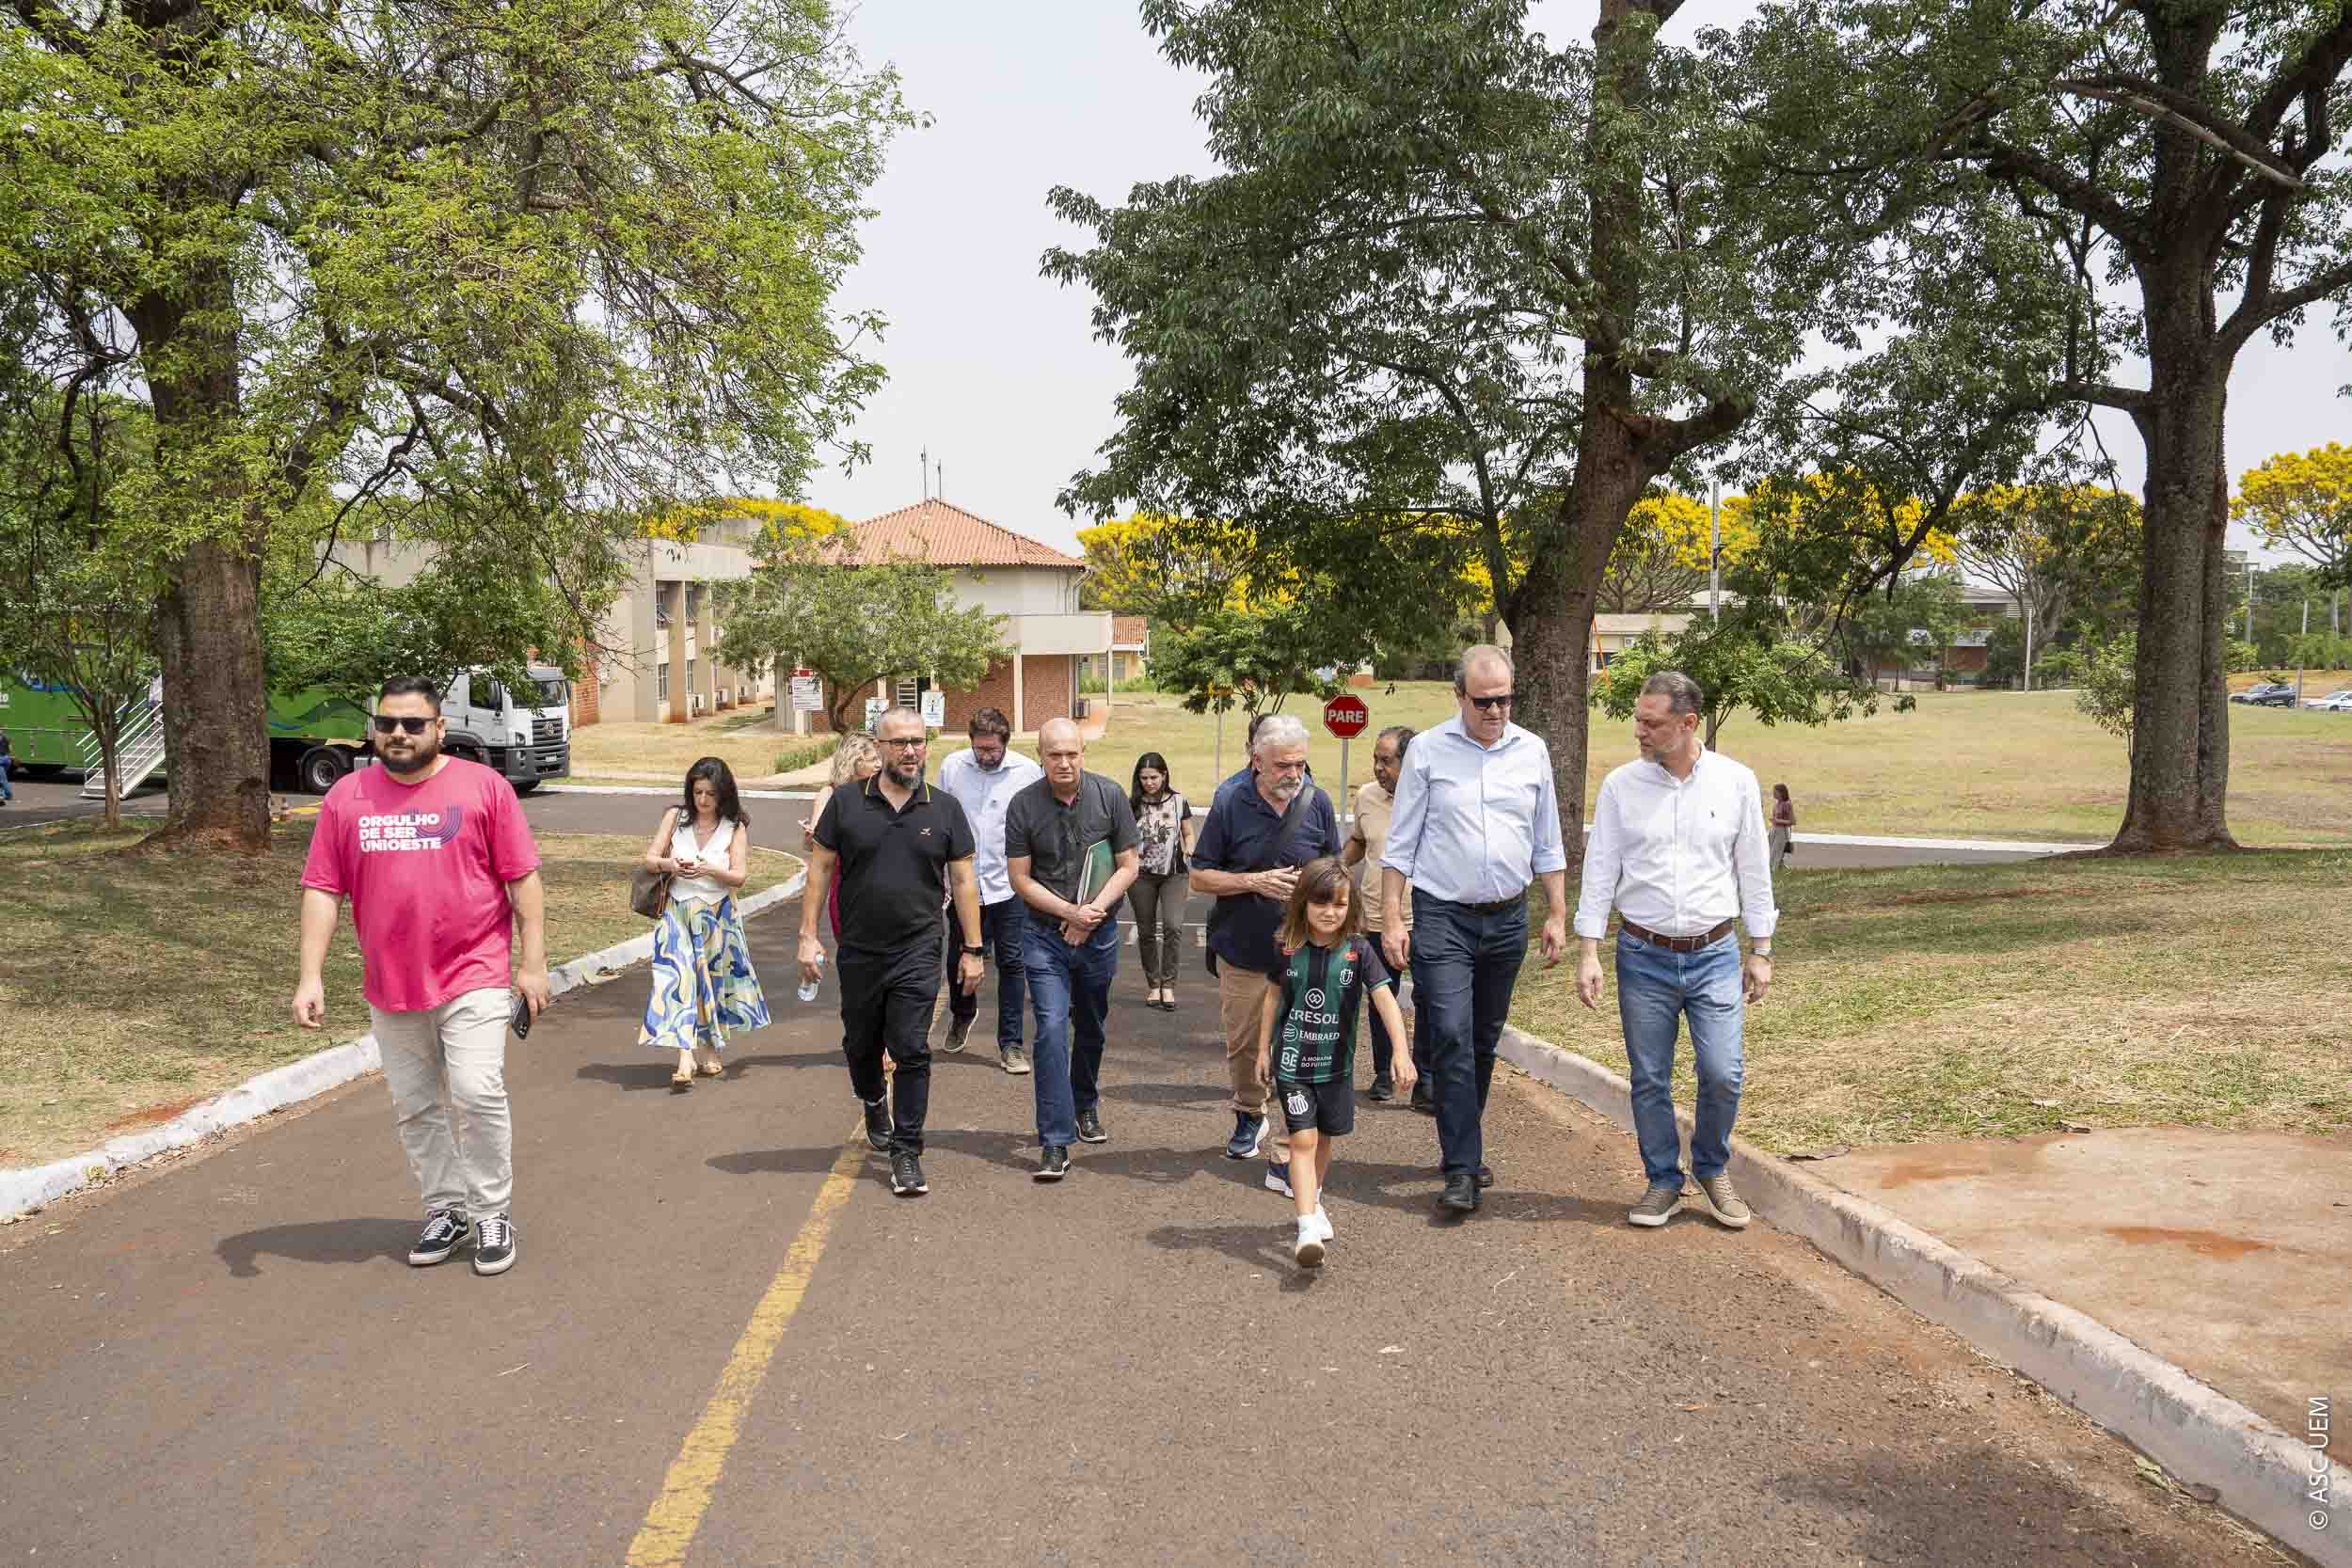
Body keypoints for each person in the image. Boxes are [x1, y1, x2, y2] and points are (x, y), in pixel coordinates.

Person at [292, 674, 548, 1276]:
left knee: (477, 1091)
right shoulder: (346, 799)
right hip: (392, 981)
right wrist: (310, 975)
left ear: (438, 728)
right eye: (387, 724)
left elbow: (523, 880)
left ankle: (490, 1212)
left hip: (475, 970)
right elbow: (323, 889)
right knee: (416, 1105)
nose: (399, 734)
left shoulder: (483, 788)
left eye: (412, 723)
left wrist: (532, 965)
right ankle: (446, 1208)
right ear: (373, 730)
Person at [1575, 671, 1777, 1231]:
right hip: (1642, 954)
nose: (1638, 730)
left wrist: (1761, 949)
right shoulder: (1621, 786)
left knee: (1722, 1073)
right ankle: (1663, 1179)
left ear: (1688, 724)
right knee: (1650, 1078)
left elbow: (1753, 869)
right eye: (1638, 719)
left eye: (1651, 722)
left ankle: (1711, 1167)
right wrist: (1588, 950)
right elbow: (1600, 871)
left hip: (1715, 953)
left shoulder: (1736, 782)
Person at [1381, 645, 1567, 1215]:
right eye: (1484, 701)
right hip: (1443, 916)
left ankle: (1462, 1142)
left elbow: (1548, 841)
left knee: (1484, 1037)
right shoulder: (1429, 753)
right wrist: (1392, 917)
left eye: (1505, 699)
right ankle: (1463, 1166)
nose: (1496, 710)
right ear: (1459, 696)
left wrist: (1556, 913)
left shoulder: (1532, 750)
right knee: (1453, 1035)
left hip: (1508, 916)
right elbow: (1402, 843)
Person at [798, 708, 983, 1198]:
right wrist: (807, 935)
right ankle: (872, 1096)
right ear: (878, 748)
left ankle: (907, 1152)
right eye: (898, 742)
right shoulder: (844, 803)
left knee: (910, 1047)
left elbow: (963, 880)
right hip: (860, 948)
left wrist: (973, 948)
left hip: (919, 947)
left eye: (918, 742)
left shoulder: (944, 809)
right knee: (861, 1044)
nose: (909, 751)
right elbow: (819, 869)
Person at [1188, 711, 1342, 1198]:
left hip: (1303, 952)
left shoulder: (1316, 803)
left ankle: (1285, 1153)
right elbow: (1199, 876)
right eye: (1282, 767)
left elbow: (1335, 871)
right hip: (1244, 949)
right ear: (1257, 761)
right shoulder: (1230, 801)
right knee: (1245, 1049)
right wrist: (1253, 881)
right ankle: (1250, 1112)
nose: (1292, 775)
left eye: (1299, 765)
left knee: (1295, 1053)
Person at [1255, 858, 1413, 1267]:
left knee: (1324, 1139)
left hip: (1335, 1068)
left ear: (1351, 908)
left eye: (1340, 905)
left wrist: (1401, 1050)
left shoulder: (1359, 952)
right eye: (1321, 903)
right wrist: (1262, 1050)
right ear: (1303, 902)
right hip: (1293, 1064)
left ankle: (1315, 1200)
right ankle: (1306, 1226)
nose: (1330, 912)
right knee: (1303, 1140)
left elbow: (1384, 1000)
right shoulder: (1285, 946)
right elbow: (1272, 998)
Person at [1004, 717, 1140, 1180]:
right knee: (1049, 1030)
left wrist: (1091, 914)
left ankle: (1085, 1103)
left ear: (1083, 753)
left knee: (1092, 1028)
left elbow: (1128, 865)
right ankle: (1055, 1140)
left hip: (1097, 934)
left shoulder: (1110, 796)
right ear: (1041, 757)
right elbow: (1019, 879)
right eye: (1054, 755)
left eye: (1071, 754)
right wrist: (1068, 913)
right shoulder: (1023, 806)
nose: (1063, 762)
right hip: (1044, 937)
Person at [639, 757, 771, 1086]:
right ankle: (685, 1056)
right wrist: (672, 864)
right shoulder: (676, 817)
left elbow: (739, 876)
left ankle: (712, 1047)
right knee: (678, 979)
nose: (702, 800)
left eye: (710, 793)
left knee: (711, 982)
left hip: (716, 915)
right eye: (697, 792)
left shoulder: (734, 826)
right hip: (676, 911)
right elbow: (650, 858)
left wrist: (710, 869)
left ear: (723, 793)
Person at [935, 707, 1044, 1070]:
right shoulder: (952, 767)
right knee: (958, 959)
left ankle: (1011, 1043)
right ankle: (962, 1012)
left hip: (1009, 885)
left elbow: (1037, 827)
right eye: (980, 749)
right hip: (962, 884)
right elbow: (939, 822)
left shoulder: (1027, 772)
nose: (986, 756)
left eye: (992, 750)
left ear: (1005, 744)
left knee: (1013, 963)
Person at [1341, 724, 1416, 1101]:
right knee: (1380, 993)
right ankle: (1383, 1073)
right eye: (1375, 759)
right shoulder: (1368, 798)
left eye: (1386, 760)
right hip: (1373, 917)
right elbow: (1358, 843)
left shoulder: (1430, 798)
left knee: (1434, 1000)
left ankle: (1428, 1078)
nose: (1377, 767)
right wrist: (1335, 867)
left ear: (1409, 761)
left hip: (1426, 917)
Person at [1125, 752, 1195, 1011]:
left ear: (1164, 775)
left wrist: (1190, 849)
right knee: (1145, 930)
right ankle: (1154, 985)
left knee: (1173, 927)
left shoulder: (1179, 801)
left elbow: (1188, 832)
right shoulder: (1132, 804)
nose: (1149, 783)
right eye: (1144, 778)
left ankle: (1169, 985)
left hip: (1174, 874)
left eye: (1154, 777)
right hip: (1141, 875)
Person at [802, 734, 882, 942]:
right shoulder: (830, 794)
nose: (879, 764)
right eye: (873, 759)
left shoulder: (883, 793)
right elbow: (812, 845)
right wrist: (811, 835)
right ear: (855, 760)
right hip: (846, 885)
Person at [1770, 783, 1797, 869]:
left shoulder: (1787, 804)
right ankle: (1781, 870)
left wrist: (1777, 821)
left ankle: (1773, 871)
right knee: (1772, 852)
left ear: (1781, 793)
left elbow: (1793, 821)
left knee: (1775, 854)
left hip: (1782, 831)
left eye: (1775, 792)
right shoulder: (1777, 803)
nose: (1773, 794)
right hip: (1774, 830)